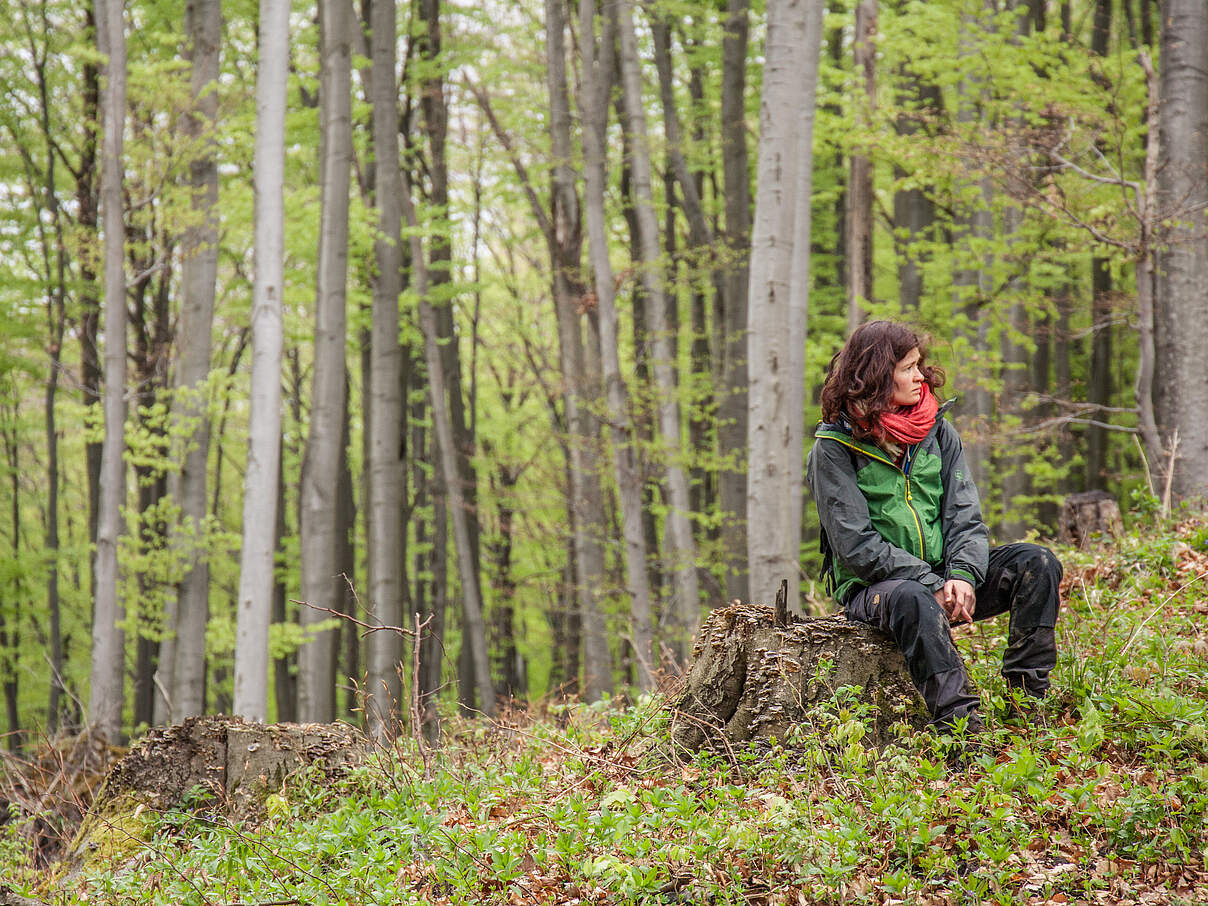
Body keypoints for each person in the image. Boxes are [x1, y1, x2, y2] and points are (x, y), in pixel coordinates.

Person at [805, 321, 1062, 736]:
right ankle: (961, 730)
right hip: (875, 591)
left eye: (919, 366)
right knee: (913, 597)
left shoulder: (937, 430)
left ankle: (1027, 703)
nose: (920, 376)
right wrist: (930, 582)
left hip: (943, 577)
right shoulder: (832, 449)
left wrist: (960, 575)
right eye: (908, 368)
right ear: (875, 373)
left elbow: (964, 516)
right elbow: (856, 547)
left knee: (1036, 562)